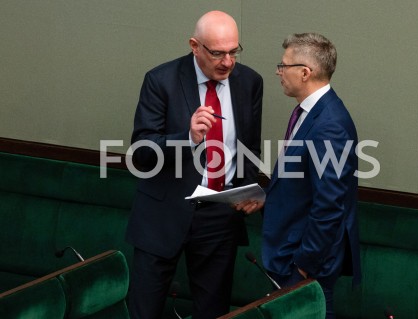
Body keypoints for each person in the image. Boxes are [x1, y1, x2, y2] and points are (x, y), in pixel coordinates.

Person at [126, 11, 263, 319]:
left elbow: (249, 147)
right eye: (217, 53)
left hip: (219, 217)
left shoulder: (250, 82)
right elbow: (141, 154)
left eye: (233, 51)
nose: (227, 62)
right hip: (163, 215)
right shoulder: (161, 80)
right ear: (194, 46)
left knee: (213, 312)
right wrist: (187, 137)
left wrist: (247, 189)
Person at [260, 33, 361, 319]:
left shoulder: (330, 124)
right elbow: (300, 185)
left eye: (284, 66)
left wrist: (302, 265)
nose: (279, 72)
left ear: (305, 73)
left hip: (303, 263)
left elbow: (330, 205)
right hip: (290, 254)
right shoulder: (309, 112)